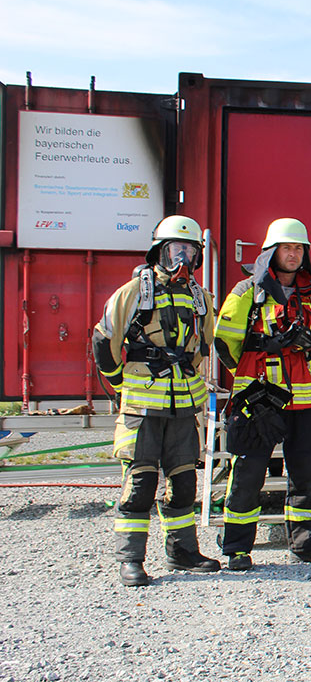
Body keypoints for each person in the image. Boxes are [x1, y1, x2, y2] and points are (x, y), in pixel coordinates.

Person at [93, 215, 220, 586]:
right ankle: (131, 558)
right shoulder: (133, 293)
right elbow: (104, 341)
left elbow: (207, 343)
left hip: (183, 407)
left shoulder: (201, 298)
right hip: (141, 408)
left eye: (189, 252)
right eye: (173, 251)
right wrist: (120, 382)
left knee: (182, 482)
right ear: (157, 253)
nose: (181, 260)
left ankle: (182, 552)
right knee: (140, 483)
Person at [215, 218, 311, 568]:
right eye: (288, 248)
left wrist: (302, 338)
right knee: (249, 473)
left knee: (306, 474)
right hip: (260, 399)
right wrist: (262, 350)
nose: (294, 254)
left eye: (299, 248)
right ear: (272, 252)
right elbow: (224, 341)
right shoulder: (246, 292)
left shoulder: (310, 293)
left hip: (302, 399)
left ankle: (307, 544)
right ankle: (237, 548)